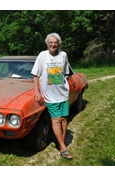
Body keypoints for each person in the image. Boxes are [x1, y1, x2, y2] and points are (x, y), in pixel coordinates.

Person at [31, 32, 72, 160]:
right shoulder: (42, 55)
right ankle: (62, 147)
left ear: (58, 44)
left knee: (64, 119)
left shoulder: (63, 55)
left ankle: (61, 141)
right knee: (55, 119)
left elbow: (65, 73)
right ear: (47, 43)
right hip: (49, 96)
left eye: (55, 42)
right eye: (51, 42)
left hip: (63, 93)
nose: (53, 44)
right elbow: (36, 75)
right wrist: (37, 91)